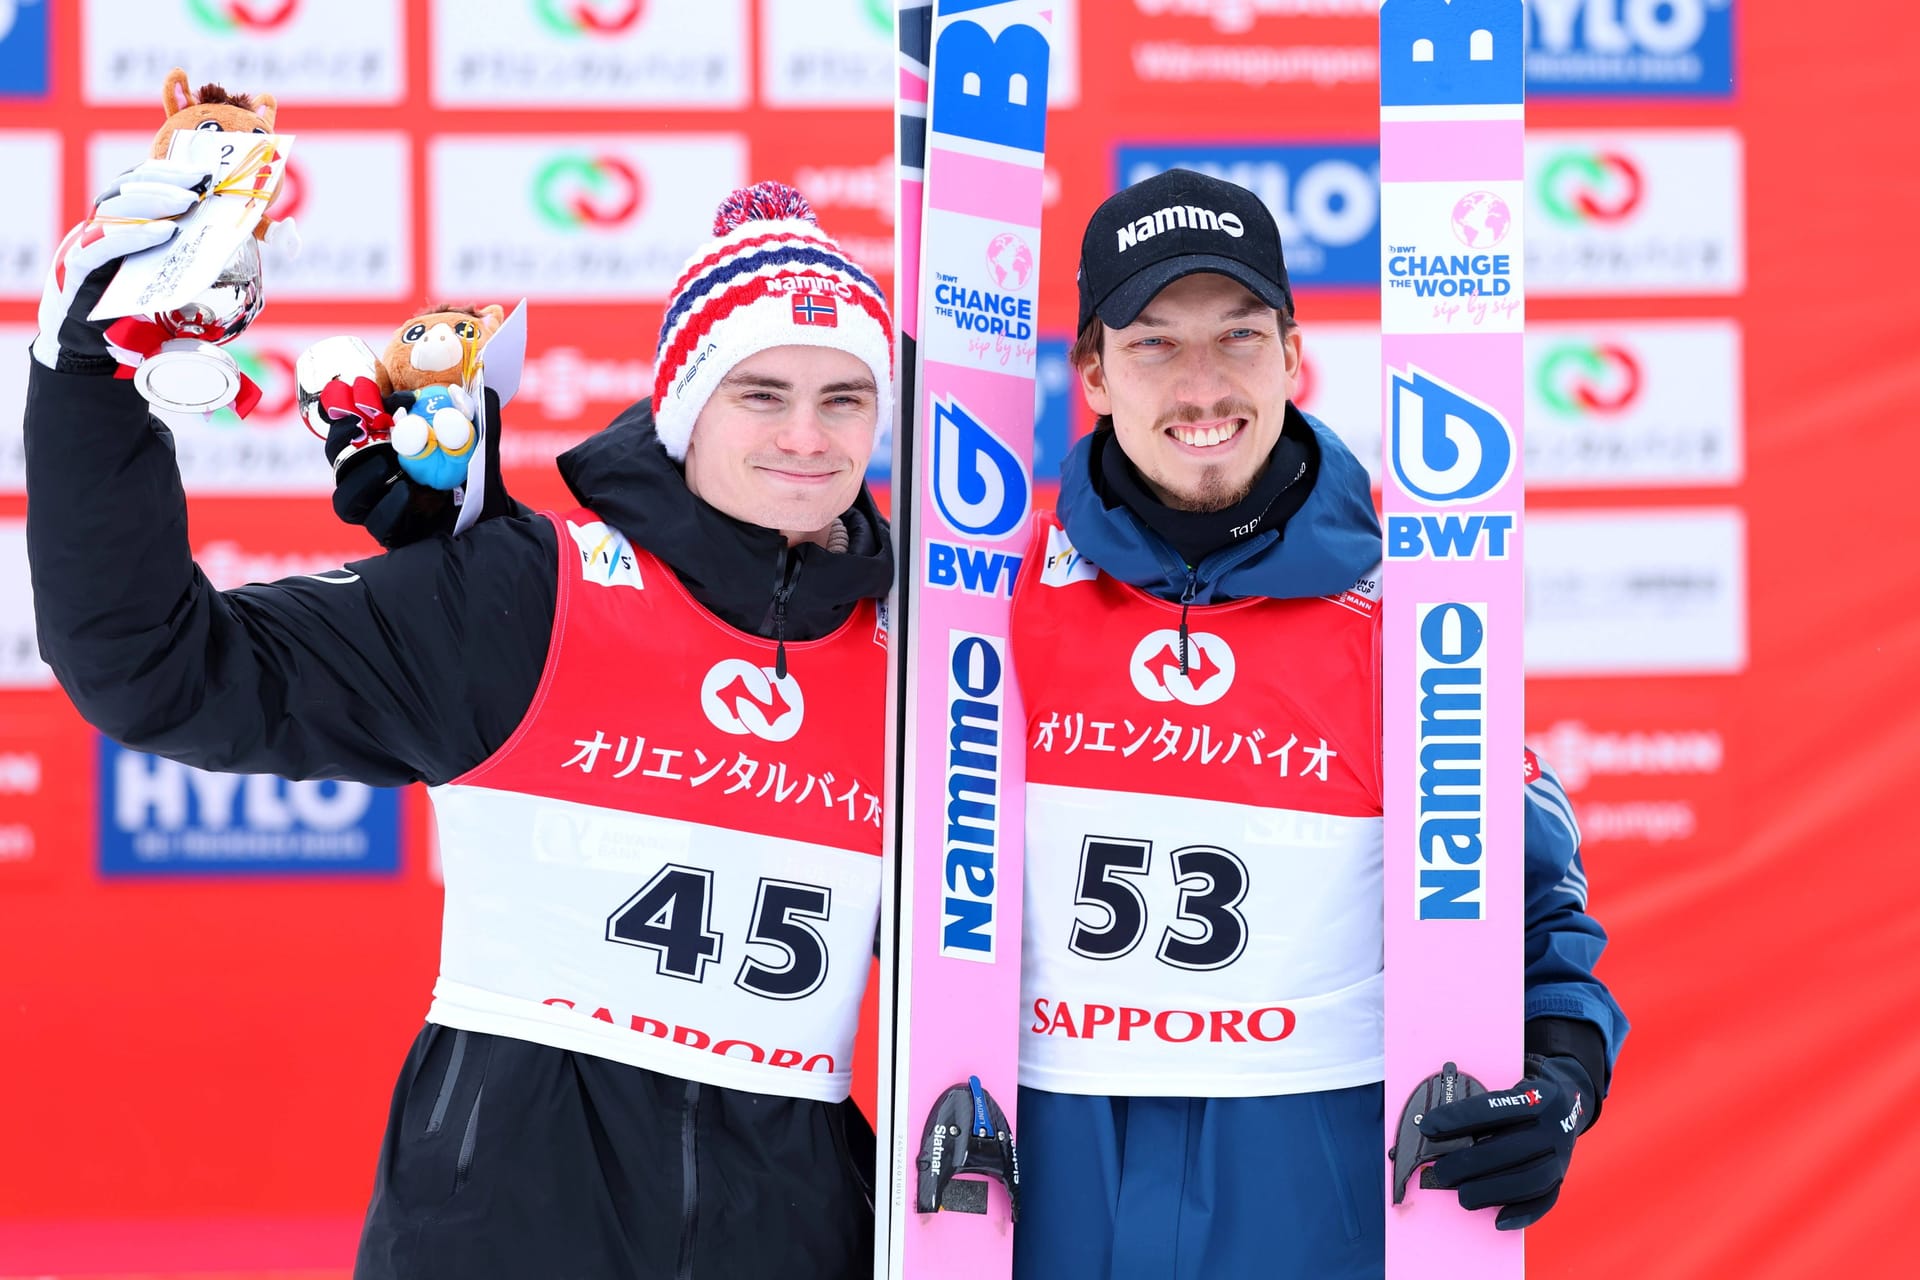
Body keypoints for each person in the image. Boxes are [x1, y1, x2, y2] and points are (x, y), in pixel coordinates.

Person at [25, 166, 897, 1278]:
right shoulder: (532, 598)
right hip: (505, 1229)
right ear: (685, 405)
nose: (808, 437)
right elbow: (152, 664)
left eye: (845, 398)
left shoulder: (922, 663)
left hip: (798, 1232)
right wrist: (87, 379)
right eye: (761, 392)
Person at [1003, 168, 1629, 1279]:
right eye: (1154, 343)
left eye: (1237, 337)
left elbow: (1533, 900)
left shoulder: (1415, 610)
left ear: (1294, 354)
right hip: (1050, 1207)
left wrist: (1562, 1073)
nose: (1203, 385)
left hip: (1309, 1206)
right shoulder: (994, 597)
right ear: (1092, 370)